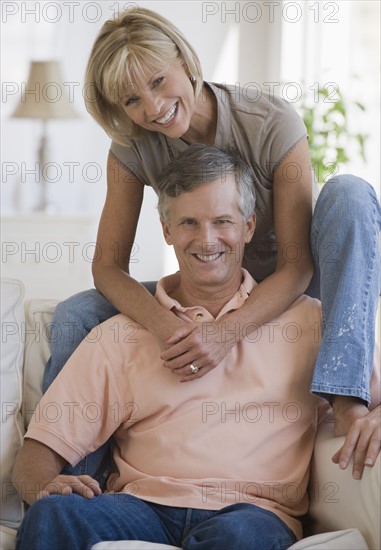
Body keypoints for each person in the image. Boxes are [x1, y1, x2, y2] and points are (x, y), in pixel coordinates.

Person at [43, 7, 381, 483]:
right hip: (210, 282)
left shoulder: (268, 121)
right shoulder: (133, 147)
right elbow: (108, 267)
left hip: (294, 280)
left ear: (184, 58)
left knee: (349, 193)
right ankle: (76, 481)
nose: (153, 107)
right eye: (132, 100)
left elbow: (298, 263)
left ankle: (348, 397)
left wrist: (226, 332)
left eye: (159, 81)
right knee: (76, 313)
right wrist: (164, 325)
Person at [13, 145, 380, 550]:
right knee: (52, 516)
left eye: (223, 221)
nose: (207, 240)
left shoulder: (310, 323)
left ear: (249, 226)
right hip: (140, 507)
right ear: (167, 231)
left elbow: (364, 395)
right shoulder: (120, 333)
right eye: (189, 222)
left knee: (239, 538)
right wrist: (46, 485)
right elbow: (35, 455)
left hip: (252, 512)